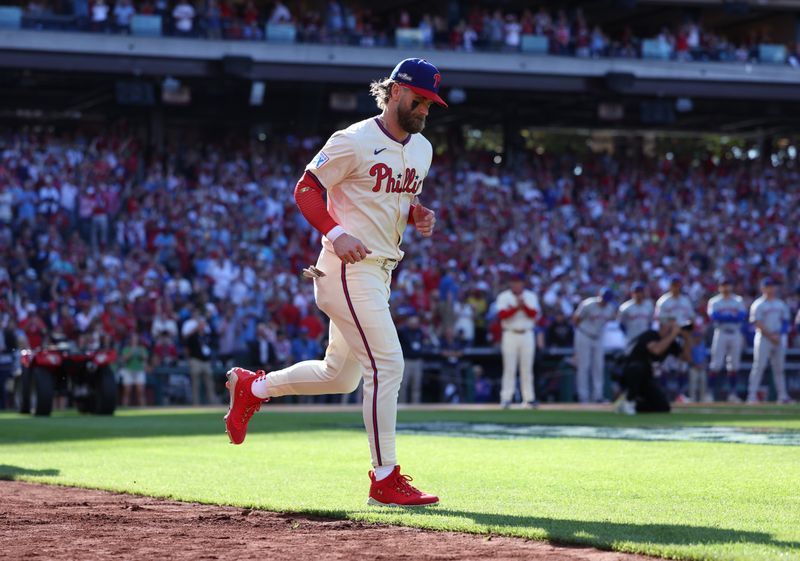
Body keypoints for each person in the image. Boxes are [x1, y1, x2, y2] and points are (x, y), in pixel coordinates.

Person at [224, 58, 446, 507]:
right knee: (388, 365)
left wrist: (418, 214)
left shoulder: (421, 149)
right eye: (421, 100)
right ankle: (385, 478)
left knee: (339, 376)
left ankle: (254, 387)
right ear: (397, 92)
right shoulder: (354, 139)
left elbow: (399, 199)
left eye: (431, 103)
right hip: (346, 268)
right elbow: (306, 188)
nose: (426, 110)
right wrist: (335, 231)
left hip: (380, 270)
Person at [615, 316, 692, 414]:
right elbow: (656, 350)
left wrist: (687, 339)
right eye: (670, 327)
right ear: (662, 326)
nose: (672, 329)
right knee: (637, 368)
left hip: (646, 378)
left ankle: (630, 405)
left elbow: (687, 358)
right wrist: (673, 334)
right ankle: (629, 400)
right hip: (628, 374)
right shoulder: (650, 334)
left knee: (663, 407)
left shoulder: (671, 342)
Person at [495, 273, 541, 408]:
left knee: (526, 368)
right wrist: (517, 307)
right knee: (509, 368)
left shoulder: (530, 296)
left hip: (527, 333)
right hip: (510, 333)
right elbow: (502, 315)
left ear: (523, 283)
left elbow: (534, 314)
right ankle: (506, 398)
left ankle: (529, 398)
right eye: (513, 282)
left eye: (518, 282)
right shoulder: (504, 296)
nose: (516, 284)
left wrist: (523, 306)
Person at [747, 277, 792, 403]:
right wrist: (771, 336)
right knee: (759, 366)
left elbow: (785, 321)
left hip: (778, 338)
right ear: (763, 288)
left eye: (772, 286)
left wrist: (779, 334)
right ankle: (752, 395)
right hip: (764, 338)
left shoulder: (780, 304)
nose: (771, 288)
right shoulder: (758, 304)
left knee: (779, 368)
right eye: (768, 286)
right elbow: (757, 322)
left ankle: (782, 396)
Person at [706, 278, 747, 402]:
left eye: (728, 285)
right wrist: (730, 316)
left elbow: (741, 317)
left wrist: (725, 317)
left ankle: (733, 394)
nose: (726, 288)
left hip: (735, 333)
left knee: (734, 365)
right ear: (719, 287)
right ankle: (709, 393)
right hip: (721, 333)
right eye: (723, 285)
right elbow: (713, 316)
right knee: (716, 365)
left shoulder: (738, 300)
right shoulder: (714, 301)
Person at [572, 288, 615, 403]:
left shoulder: (610, 308)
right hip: (584, 334)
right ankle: (583, 397)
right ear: (598, 296)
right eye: (603, 299)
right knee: (583, 366)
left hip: (598, 337)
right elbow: (576, 319)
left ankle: (598, 396)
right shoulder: (588, 304)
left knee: (598, 366)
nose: (604, 301)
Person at [182, 308, 217, 405]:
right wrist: (190, 360)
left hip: (206, 361)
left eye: (203, 324)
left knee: (209, 383)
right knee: (195, 384)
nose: (202, 326)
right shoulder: (193, 336)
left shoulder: (206, 335)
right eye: (200, 324)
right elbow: (186, 347)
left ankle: (212, 403)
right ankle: (195, 404)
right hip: (195, 360)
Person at [397, 315, 427, 404]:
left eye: (416, 323)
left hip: (417, 361)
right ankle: (402, 404)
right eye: (412, 322)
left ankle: (415, 405)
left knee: (416, 385)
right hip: (407, 361)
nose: (414, 324)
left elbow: (424, 342)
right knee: (403, 385)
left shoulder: (420, 332)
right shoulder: (403, 332)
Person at [119, 332, 148, 406]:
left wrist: (140, 352)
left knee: (140, 391)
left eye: (136, 339)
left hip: (139, 371)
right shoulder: (126, 349)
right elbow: (124, 359)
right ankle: (125, 409)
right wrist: (131, 352)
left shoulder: (142, 348)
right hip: (128, 370)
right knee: (127, 391)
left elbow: (145, 358)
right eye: (133, 339)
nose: (134, 340)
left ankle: (143, 409)